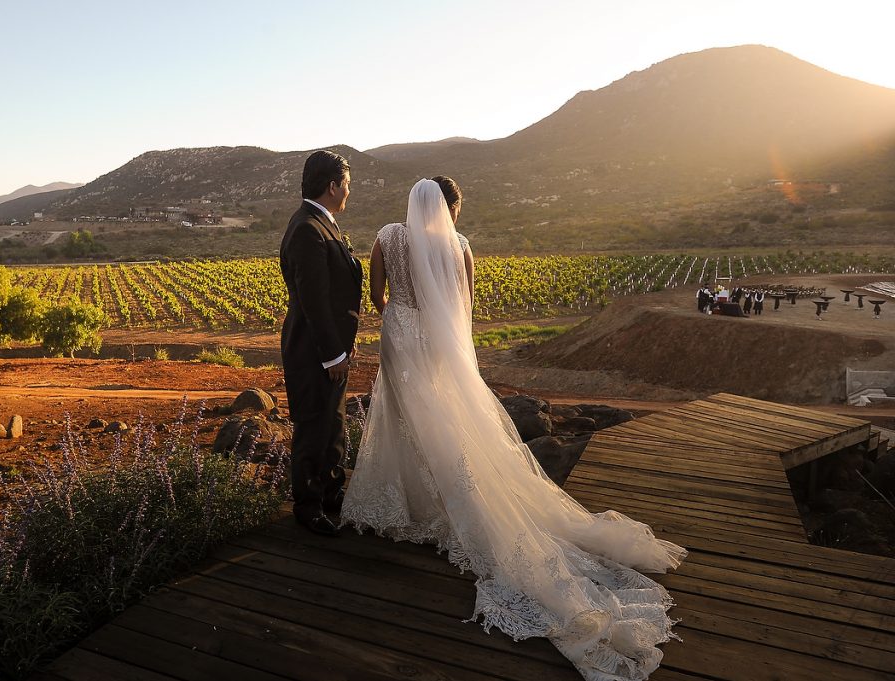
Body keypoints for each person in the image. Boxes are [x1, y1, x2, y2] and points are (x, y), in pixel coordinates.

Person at [341, 178, 685, 681]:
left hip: (399, 335)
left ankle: (409, 498)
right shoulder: (459, 246)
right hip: (439, 345)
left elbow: (377, 294)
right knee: (447, 422)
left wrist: (401, 320)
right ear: (450, 207)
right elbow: (464, 309)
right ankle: (454, 495)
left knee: (402, 417)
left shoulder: (387, 236)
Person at [280, 150, 363, 537]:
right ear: (332, 186)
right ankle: (308, 507)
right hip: (314, 351)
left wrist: (344, 348)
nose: (349, 190)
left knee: (332, 424)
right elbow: (314, 302)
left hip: (331, 350)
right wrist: (333, 355)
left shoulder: (320, 224)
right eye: (346, 183)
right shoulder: (307, 230)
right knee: (314, 427)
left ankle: (330, 493)